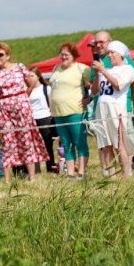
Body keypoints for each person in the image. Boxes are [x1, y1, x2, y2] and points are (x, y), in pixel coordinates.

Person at [0, 42, 48, 182]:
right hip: (4, 108)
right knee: (7, 141)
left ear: (8, 55)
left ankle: (32, 176)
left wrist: (22, 98)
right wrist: (6, 101)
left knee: (26, 139)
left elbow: (31, 83)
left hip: (21, 107)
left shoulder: (19, 67)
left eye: (0, 54)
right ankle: (7, 179)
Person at [91, 31, 134, 175]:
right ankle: (111, 176)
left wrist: (103, 70)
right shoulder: (107, 70)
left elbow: (118, 85)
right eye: (109, 53)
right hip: (102, 108)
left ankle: (126, 173)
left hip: (116, 109)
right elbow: (94, 91)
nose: (110, 55)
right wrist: (97, 75)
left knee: (120, 144)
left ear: (121, 55)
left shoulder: (127, 69)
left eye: (113, 53)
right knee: (105, 145)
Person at [49, 42, 92, 178]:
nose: (63, 57)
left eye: (66, 54)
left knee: (79, 143)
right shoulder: (56, 68)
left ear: (73, 55)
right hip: (58, 113)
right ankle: (71, 173)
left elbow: (95, 83)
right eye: (61, 54)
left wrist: (89, 98)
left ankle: (82, 172)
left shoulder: (81, 68)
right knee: (66, 144)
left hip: (76, 112)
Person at [27, 66, 57, 173]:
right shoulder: (28, 90)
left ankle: (51, 166)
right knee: (34, 146)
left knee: (48, 144)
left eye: (32, 75)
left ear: (38, 76)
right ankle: (36, 169)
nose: (29, 78)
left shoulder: (46, 89)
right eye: (28, 76)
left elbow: (51, 104)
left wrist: (52, 115)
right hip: (32, 119)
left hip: (45, 117)